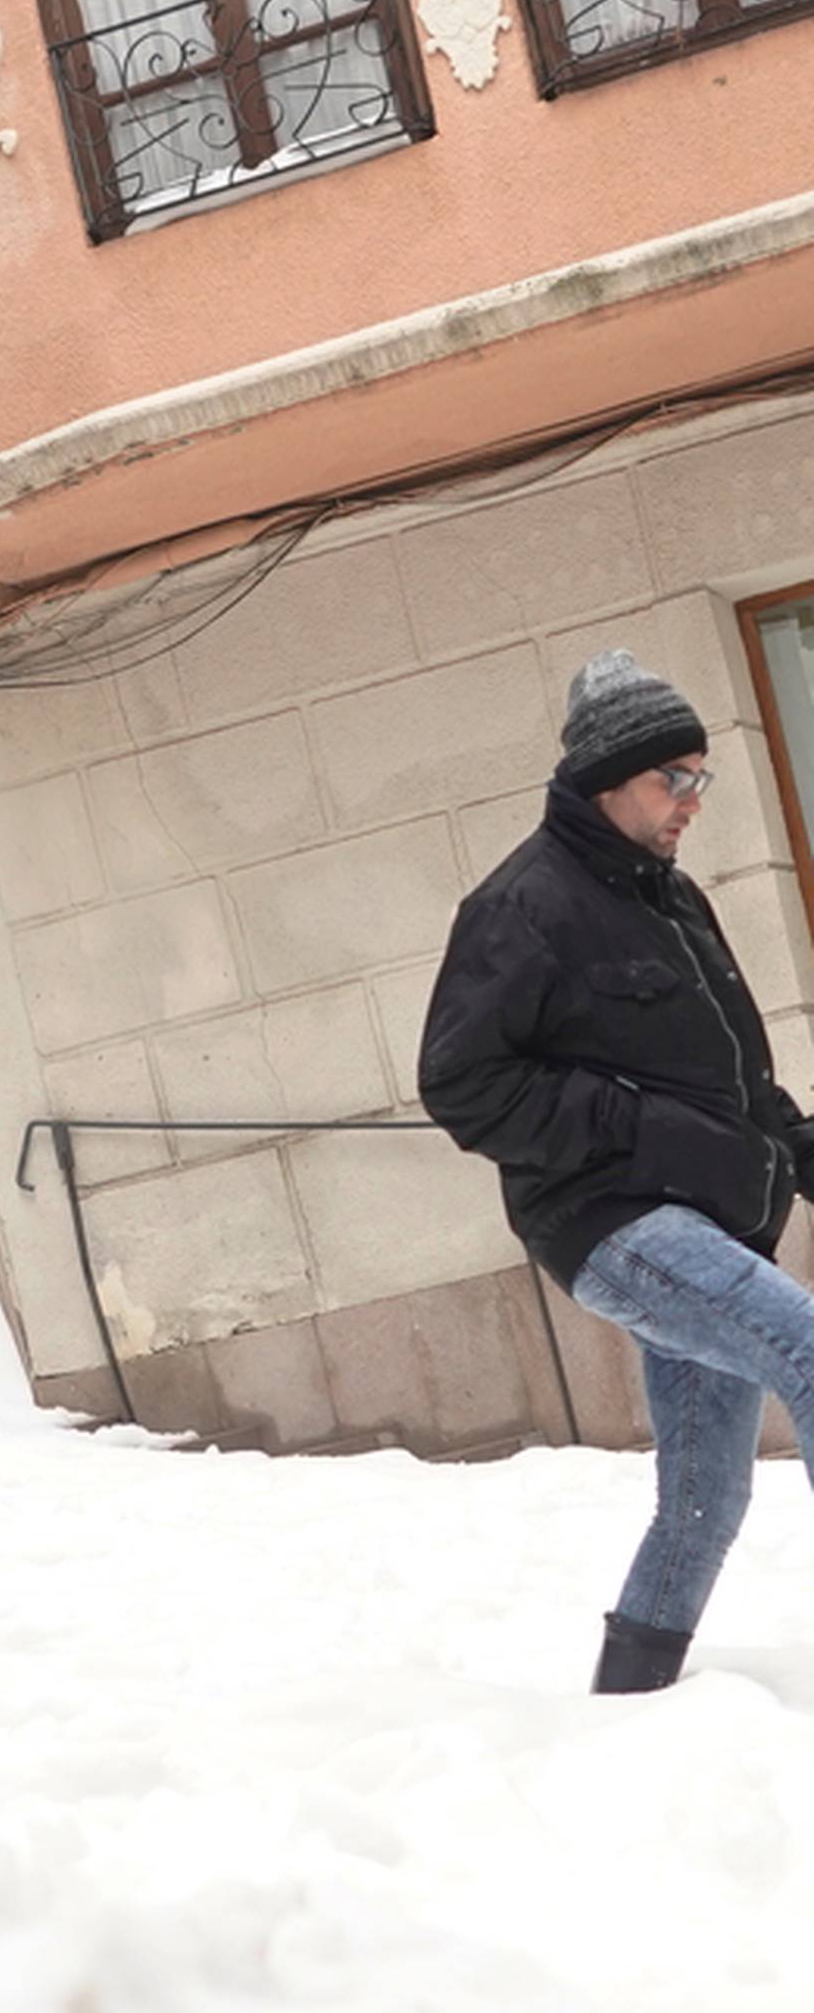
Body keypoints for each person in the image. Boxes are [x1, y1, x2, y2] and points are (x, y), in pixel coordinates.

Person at [418, 647, 814, 1691]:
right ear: (608, 777)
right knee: (808, 1347)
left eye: (699, 776)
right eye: (670, 777)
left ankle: (631, 1696)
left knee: (706, 1495)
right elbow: (463, 1085)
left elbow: (731, 1079)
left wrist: (796, 1153)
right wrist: (629, 1125)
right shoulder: (523, 907)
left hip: (710, 1226)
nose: (691, 799)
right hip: (614, 1223)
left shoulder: (670, 900)